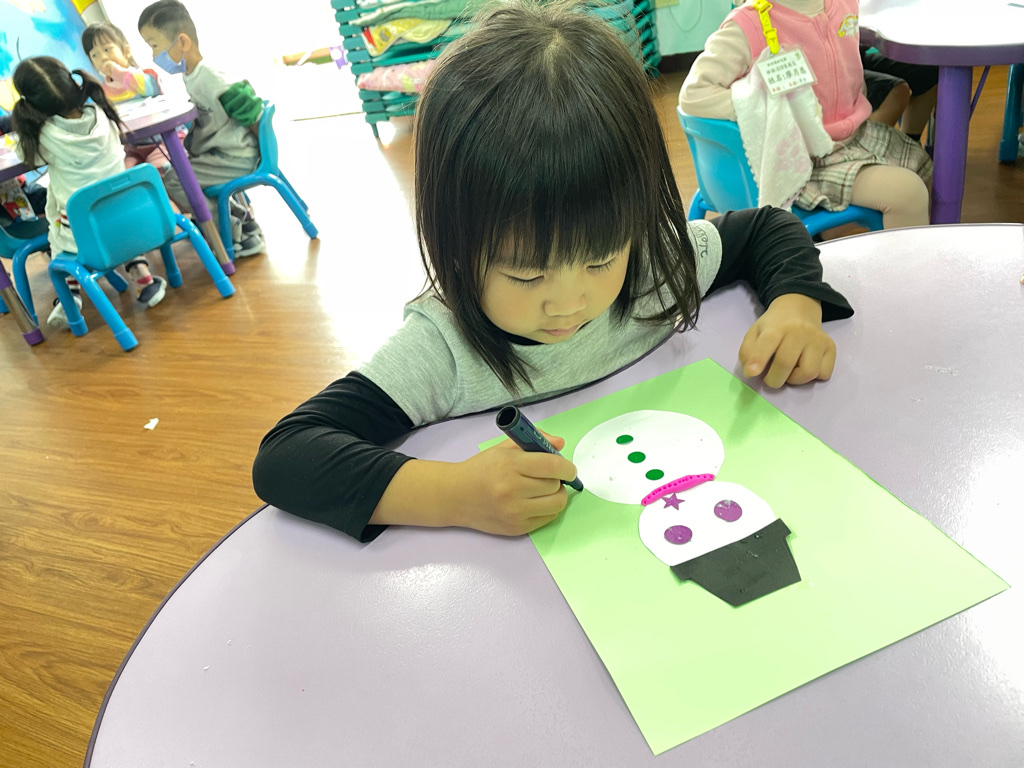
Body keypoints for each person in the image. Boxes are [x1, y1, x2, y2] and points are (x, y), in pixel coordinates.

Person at [251, 0, 854, 543]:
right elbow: (288, 456)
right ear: (454, 241)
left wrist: (795, 306)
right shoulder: (445, 352)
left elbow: (767, 228)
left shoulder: (652, 268)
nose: (568, 302)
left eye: (599, 259)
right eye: (524, 276)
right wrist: (452, 494)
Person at [679, 0, 933, 229]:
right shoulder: (749, 25)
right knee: (907, 193)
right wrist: (765, 107)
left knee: (927, 168)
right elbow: (694, 94)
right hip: (803, 160)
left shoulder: (844, 5)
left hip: (855, 134)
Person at [11, 57, 167, 328]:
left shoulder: (44, 136)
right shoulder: (103, 113)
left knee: (58, 239)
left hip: (84, 235)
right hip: (133, 219)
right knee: (108, 213)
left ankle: (69, 296)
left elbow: (25, 156)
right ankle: (143, 275)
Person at [137, 0, 265, 257]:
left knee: (176, 181)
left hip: (237, 156)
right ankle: (239, 220)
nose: (154, 56)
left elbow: (252, 111)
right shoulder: (192, 75)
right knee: (180, 173)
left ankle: (229, 232)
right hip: (224, 154)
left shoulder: (211, 77)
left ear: (183, 42)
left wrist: (263, 155)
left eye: (155, 46)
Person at [81, 20, 178, 170]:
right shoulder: (103, 92)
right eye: (95, 55)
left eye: (107, 49)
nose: (103, 57)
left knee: (157, 168)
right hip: (134, 148)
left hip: (165, 140)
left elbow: (148, 87)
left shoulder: (143, 76)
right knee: (126, 172)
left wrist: (118, 73)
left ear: (126, 52)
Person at [861, 46, 938, 143]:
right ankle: (869, 149)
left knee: (928, 70)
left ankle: (910, 142)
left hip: (857, 56)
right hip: (844, 66)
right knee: (896, 90)